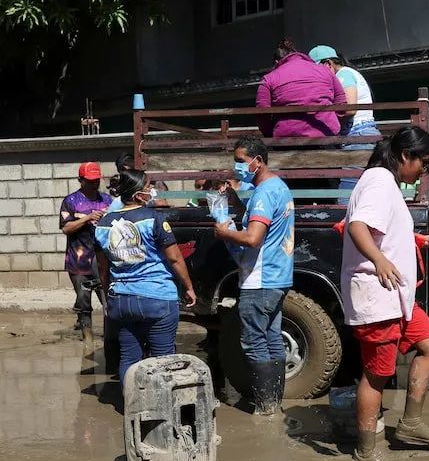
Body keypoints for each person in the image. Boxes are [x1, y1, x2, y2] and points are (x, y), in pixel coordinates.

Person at [341, 126, 429, 461]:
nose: (422, 173)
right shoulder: (380, 182)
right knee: (377, 375)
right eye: (423, 164)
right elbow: (359, 226)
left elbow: (385, 233)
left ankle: (410, 422)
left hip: (395, 295)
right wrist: (380, 260)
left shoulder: (384, 183)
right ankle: (366, 449)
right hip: (379, 293)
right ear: (405, 156)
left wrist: (423, 240)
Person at [214, 136, 296, 416]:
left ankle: (264, 406)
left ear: (257, 162)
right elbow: (261, 222)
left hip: (259, 279)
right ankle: (274, 403)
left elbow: (252, 237)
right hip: (278, 277)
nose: (236, 167)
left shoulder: (263, 193)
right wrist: (236, 203)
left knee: (254, 342)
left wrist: (225, 232)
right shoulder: (278, 187)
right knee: (272, 339)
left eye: (240, 161)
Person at [94, 170, 197, 382]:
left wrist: (107, 298)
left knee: (129, 358)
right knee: (163, 358)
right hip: (157, 298)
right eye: (149, 187)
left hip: (121, 300)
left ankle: (131, 407)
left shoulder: (103, 224)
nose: (153, 191)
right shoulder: (154, 219)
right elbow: (176, 259)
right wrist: (188, 287)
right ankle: (162, 409)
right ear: (139, 195)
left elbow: (103, 270)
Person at [310, 45, 380, 199]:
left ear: (328, 64)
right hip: (360, 136)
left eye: (316, 70)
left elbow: (349, 108)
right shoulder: (346, 74)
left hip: (358, 136)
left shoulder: (344, 74)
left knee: (345, 197)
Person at [60, 163, 112, 340]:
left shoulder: (107, 200)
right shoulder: (71, 201)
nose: (94, 184)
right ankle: (87, 338)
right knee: (84, 302)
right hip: (79, 260)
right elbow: (66, 228)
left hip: (103, 261)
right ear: (80, 180)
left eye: (96, 180)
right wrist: (88, 218)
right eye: (90, 181)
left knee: (108, 301)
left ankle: (110, 338)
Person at [256, 39, 347, 138]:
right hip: (326, 134)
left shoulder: (269, 78)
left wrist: (271, 133)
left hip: (286, 139)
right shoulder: (325, 70)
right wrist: (331, 121)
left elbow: (262, 114)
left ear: (277, 62)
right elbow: (341, 102)